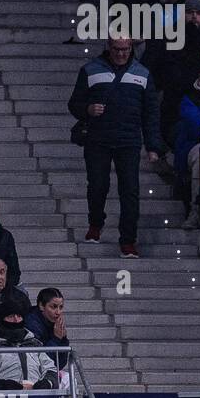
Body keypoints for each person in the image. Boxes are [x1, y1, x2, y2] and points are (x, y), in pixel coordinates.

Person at [67, 36, 164, 258]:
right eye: (117, 49)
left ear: (131, 48)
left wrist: (153, 146)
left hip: (129, 141)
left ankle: (128, 241)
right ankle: (95, 224)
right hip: (97, 139)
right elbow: (74, 103)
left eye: (126, 49)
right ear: (109, 48)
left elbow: (151, 113)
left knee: (129, 192)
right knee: (98, 186)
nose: (121, 53)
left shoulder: (143, 74)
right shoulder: (90, 70)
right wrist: (88, 110)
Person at [0, 295, 57, 391]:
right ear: (1, 319)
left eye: (19, 316)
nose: (15, 320)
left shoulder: (35, 343)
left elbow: (51, 370)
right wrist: (0, 385)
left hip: (36, 396)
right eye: (10, 316)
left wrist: (46, 383)